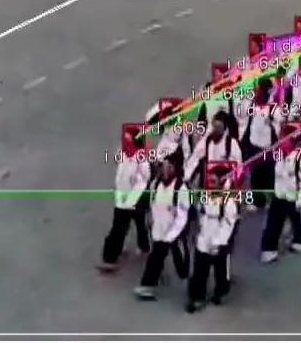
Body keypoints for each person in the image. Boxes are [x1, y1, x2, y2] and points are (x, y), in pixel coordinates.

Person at [135, 156, 190, 300]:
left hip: (175, 233)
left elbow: (182, 217)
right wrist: (152, 222)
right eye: (164, 166)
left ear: (174, 169)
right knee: (155, 257)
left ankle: (186, 278)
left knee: (180, 259)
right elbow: (152, 204)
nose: (164, 170)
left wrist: (171, 236)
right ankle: (147, 286)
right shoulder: (156, 184)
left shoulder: (181, 189)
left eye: (168, 167)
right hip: (159, 230)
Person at [98, 127, 152, 272]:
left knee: (129, 226)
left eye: (127, 141)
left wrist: (131, 199)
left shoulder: (141, 160)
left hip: (133, 200)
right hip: (122, 198)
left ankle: (113, 257)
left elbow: (144, 179)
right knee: (124, 226)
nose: (124, 143)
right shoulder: (123, 153)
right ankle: (113, 256)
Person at [260, 127, 301, 262]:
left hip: (294, 197)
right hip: (279, 195)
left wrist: (300, 202)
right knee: (272, 223)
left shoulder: (300, 160)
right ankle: (269, 250)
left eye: (284, 140)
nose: (280, 142)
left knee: (297, 221)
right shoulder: (276, 156)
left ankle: (299, 241)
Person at [187, 182, 242, 311]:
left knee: (221, 269)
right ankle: (197, 296)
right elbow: (197, 214)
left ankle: (220, 292)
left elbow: (229, 224)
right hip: (203, 238)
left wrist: (218, 242)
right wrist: (196, 232)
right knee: (200, 269)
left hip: (220, 240)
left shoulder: (228, 200)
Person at [234, 77, 282, 207]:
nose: (258, 92)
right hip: (253, 146)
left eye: (261, 90)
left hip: (268, 148)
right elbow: (241, 114)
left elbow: (280, 118)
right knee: (256, 176)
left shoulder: (273, 108)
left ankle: (272, 201)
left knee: (269, 176)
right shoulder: (252, 103)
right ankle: (258, 202)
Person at [185, 110, 243, 189]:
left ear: (224, 129)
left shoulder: (231, 144)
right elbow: (195, 156)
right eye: (214, 127)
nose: (215, 130)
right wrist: (187, 176)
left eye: (218, 128)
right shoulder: (207, 141)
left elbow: (239, 167)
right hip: (211, 184)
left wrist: (231, 182)